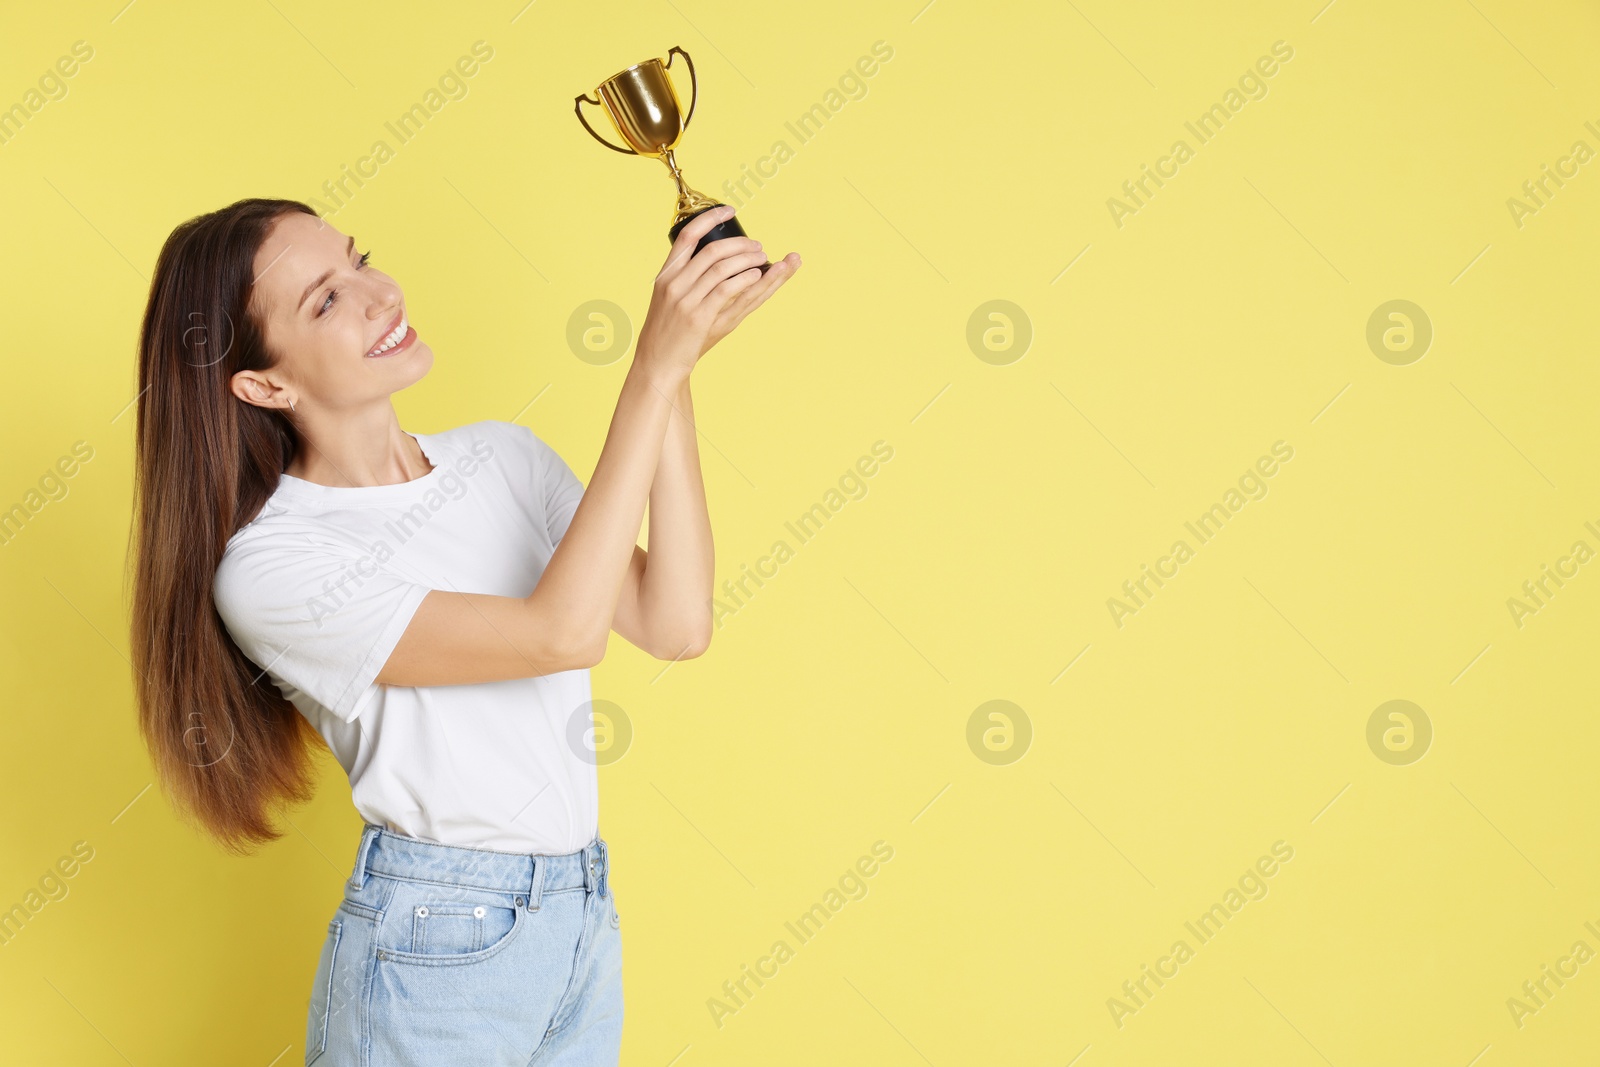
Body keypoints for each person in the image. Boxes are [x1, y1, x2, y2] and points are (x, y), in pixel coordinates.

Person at [127, 196, 799, 1064]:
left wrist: (677, 375)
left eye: (360, 258)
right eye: (326, 300)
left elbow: (675, 622)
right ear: (265, 385)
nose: (378, 293)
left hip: (579, 918)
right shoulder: (271, 566)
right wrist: (649, 370)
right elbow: (558, 634)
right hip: (433, 946)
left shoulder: (503, 459)